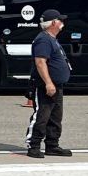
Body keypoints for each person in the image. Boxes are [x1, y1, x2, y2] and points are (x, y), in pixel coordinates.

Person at [26, 9, 75, 159]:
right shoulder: (43, 40)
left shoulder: (52, 39)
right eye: (60, 20)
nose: (62, 23)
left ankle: (52, 145)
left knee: (55, 117)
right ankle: (33, 145)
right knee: (42, 115)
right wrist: (48, 83)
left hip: (56, 86)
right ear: (53, 22)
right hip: (45, 86)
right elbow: (40, 62)